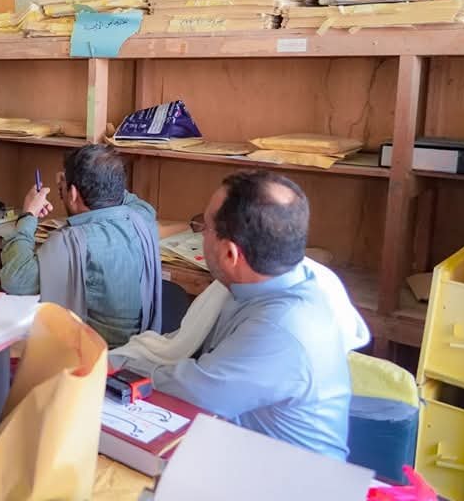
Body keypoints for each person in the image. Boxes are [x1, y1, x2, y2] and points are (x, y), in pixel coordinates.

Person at [149, 170, 363, 460]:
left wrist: (112, 368)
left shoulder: (282, 326)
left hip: (285, 478)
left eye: (205, 228)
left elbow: (189, 391)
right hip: (245, 452)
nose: (200, 235)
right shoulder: (269, 283)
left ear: (230, 254)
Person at [0, 145, 164, 348]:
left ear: (73, 194)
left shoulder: (73, 243)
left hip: (96, 361)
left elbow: (15, 279)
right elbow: (122, 194)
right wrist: (77, 181)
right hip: (140, 353)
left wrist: (29, 214)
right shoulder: (142, 216)